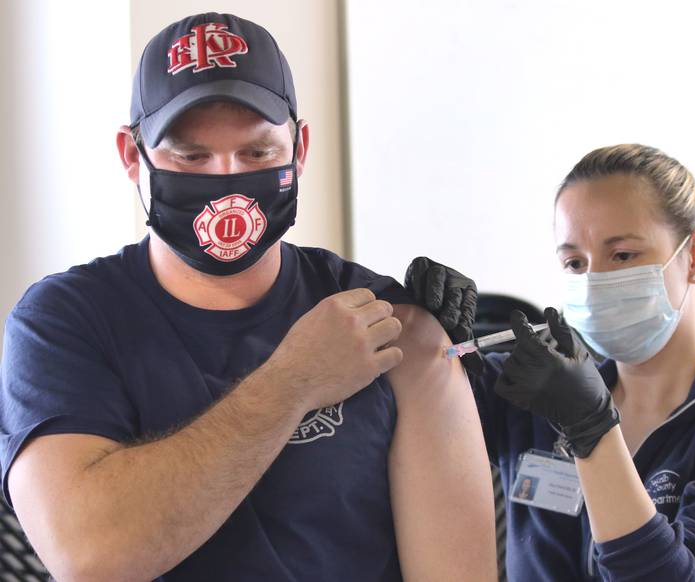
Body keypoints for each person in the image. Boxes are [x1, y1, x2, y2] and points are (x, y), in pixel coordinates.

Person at [0, 13, 497, 582]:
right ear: (132, 157)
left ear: (299, 148)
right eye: (191, 157)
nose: (227, 179)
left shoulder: (390, 323)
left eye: (258, 154)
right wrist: (292, 381)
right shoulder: (65, 322)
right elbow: (88, 555)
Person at [407, 144, 695, 580]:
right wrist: (426, 333)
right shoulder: (538, 393)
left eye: (624, 255)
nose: (595, 281)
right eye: (575, 262)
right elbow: (399, 410)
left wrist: (591, 431)